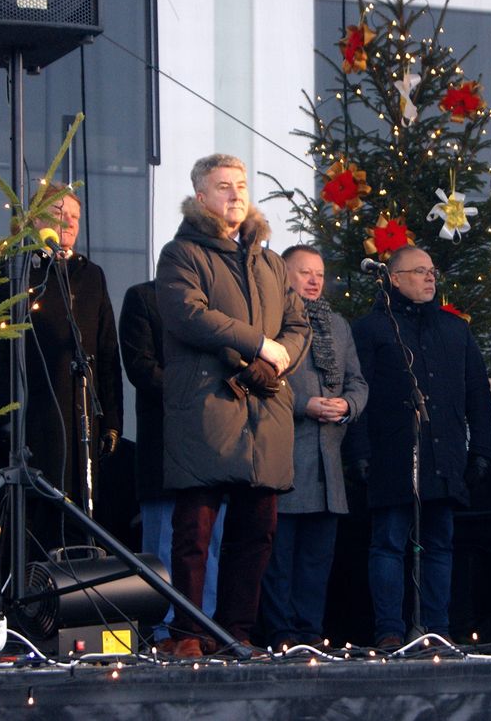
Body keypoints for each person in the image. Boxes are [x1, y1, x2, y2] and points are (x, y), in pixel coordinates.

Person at [155, 153, 309, 658]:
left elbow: (298, 326)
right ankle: (187, 636)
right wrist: (257, 347)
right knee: (195, 535)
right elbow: (188, 316)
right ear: (201, 196)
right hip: (207, 409)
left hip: (265, 413)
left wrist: (268, 366)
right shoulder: (180, 254)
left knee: (256, 534)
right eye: (223, 186)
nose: (236, 194)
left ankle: (236, 634)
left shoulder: (268, 261)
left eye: (241, 185)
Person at [346, 245, 491, 648]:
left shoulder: (455, 330)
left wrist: (482, 450)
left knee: (439, 544)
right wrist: (358, 452)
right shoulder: (372, 329)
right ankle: (391, 630)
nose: (430, 278)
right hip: (392, 454)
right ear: (394, 278)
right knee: (389, 542)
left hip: (444, 454)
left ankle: (437, 628)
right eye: (419, 271)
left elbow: (478, 396)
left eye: (432, 271)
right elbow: (358, 392)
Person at [0, 184, 123, 550]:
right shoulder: (7, 270)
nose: (68, 221)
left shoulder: (90, 275)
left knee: (77, 524)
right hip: (27, 423)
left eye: (75, 216)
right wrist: (2, 418)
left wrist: (113, 422)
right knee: (27, 529)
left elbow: (106, 353)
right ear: (33, 218)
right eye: (59, 213)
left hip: (80, 421)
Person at [258, 245, 368, 651]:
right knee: (279, 560)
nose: (314, 280)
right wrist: (304, 405)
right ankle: (281, 635)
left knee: (316, 563)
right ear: (284, 275)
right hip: (286, 460)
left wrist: (349, 405)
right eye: (304, 272)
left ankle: (309, 633)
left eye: (319, 273)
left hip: (328, 466)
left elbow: (358, 381)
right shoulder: (273, 320)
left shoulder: (338, 326)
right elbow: (263, 380)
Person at [119, 278, 226, 644]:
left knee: (209, 541)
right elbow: (141, 367)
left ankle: (203, 627)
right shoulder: (143, 297)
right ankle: (165, 629)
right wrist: (197, 392)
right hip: (164, 443)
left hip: (213, 443)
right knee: (164, 542)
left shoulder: (220, 302)